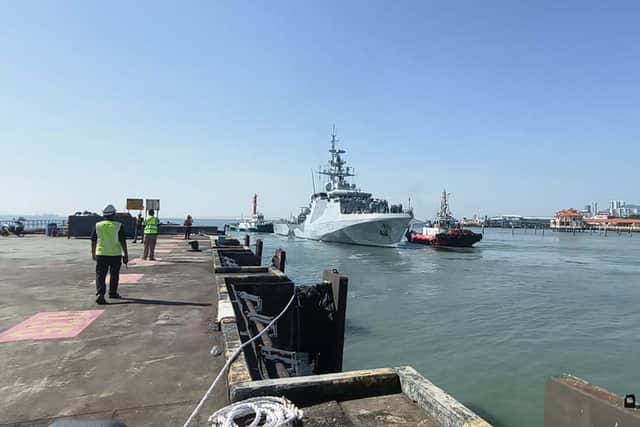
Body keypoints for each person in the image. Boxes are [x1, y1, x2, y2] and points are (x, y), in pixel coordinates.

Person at [91, 204, 128, 305]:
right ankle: (112, 293)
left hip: (101, 253)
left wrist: (93, 253)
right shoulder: (118, 226)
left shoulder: (97, 225)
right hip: (115, 254)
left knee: (100, 274)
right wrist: (126, 254)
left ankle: (100, 294)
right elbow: (122, 241)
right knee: (114, 274)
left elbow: (93, 240)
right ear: (114, 214)